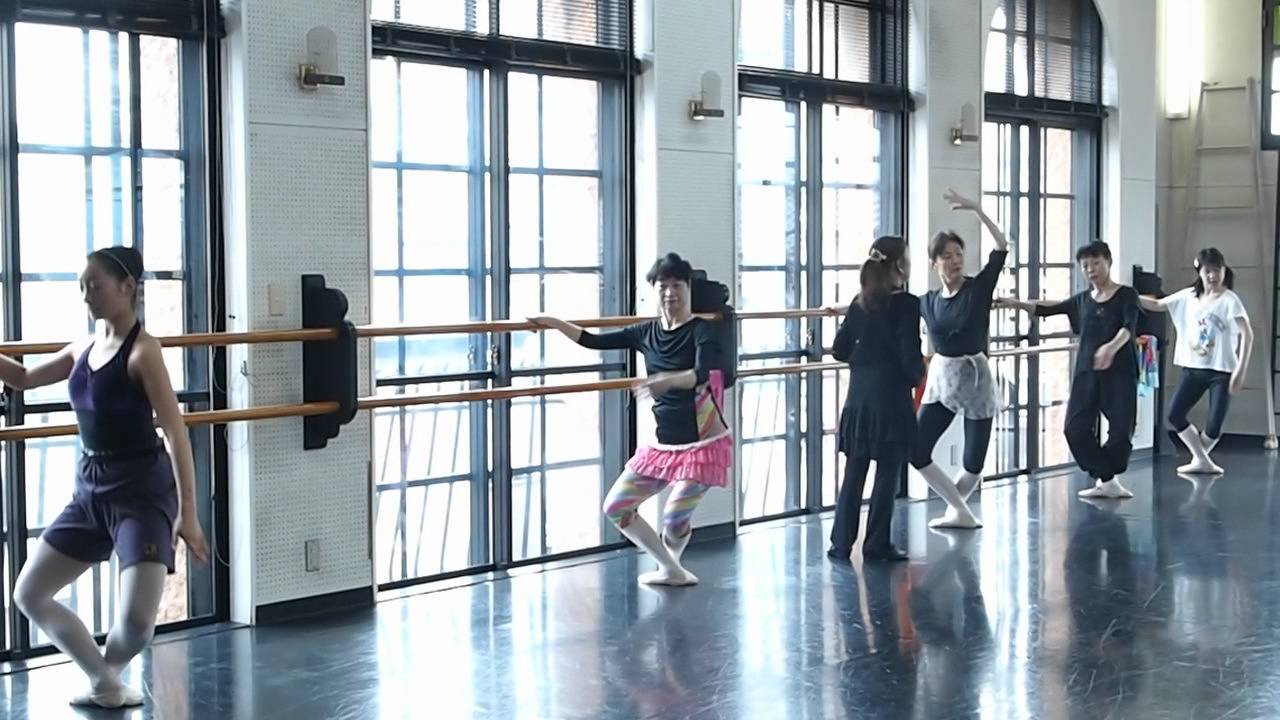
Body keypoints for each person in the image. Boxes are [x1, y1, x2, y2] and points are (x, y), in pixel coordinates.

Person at [3, 246, 210, 709]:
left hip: (142, 491)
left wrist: (189, 513)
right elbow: (23, 378)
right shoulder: (83, 348)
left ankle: (107, 677)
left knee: (136, 624)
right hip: (91, 489)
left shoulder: (143, 352)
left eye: (94, 286)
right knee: (29, 592)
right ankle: (104, 682)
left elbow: (175, 431)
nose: (86, 295)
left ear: (127, 287)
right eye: (82, 287)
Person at [530, 253, 731, 586]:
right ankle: (670, 569)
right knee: (616, 506)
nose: (670, 293)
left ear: (688, 288)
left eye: (677, 285)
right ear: (655, 290)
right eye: (663, 286)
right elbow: (593, 340)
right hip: (664, 445)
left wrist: (665, 380)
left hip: (703, 443)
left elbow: (700, 375)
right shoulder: (645, 332)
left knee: (674, 517)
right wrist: (553, 321)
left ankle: (673, 566)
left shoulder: (702, 330)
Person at [997, 241, 1140, 499]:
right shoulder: (1082, 300)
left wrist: (1110, 348)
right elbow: (1048, 308)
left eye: (1096, 263)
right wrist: (1014, 303)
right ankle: (1106, 478)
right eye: (1085, 266)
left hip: (1120, 373)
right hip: (1087, 372)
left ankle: (1109, 477)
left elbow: (1128, 327)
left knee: (1121, 431)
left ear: (1108, 262)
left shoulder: (1126, 295)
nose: (1091, 270)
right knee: (1074, 428)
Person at [911, 189, 1010, 528]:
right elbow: (891, 307)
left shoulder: (977, 290)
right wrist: (844, 308)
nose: (955, 260)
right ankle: (960, 511)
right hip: (942, 381)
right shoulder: (928, 301)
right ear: (934, 263)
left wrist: (976, 208)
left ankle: (958, 511)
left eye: (958, 254)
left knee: (973, 463)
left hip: (975, 380)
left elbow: (1002, 247)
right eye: (947, 256)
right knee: (916, 449)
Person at [827, 236, 923, 563]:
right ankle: (876, 545)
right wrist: (916, 375)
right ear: (899, 266)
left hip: (858, 402)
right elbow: (910, 356)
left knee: (854, 474)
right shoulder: (907, 304)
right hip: (891, 402)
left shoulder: (859, 302)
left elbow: (839, 349)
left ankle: (840, 543)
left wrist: (864, 360)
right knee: (886, 476)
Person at [1138, 248, 1253, 474]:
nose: (1213, 276)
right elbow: (1158, 305)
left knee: (1214, 426)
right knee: (1175, 414)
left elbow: (1247, 334)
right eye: (1207, 271)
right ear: (1199, 272)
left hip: (1222, 371)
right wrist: (1125, 295)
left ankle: (1200, 459)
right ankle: (1202, 460)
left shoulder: (1230, 300)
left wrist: (1241, 369)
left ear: (1224, 270)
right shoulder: (1188, 296)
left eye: (1217, 270)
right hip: (1194, 369)